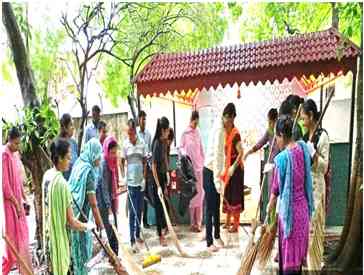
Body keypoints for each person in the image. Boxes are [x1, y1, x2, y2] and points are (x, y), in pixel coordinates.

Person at [266, 116, 314, 275]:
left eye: (276, 137)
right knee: (297, 265)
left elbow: (275, 189)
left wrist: (269, 206)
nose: (276, 141)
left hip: (289, 218)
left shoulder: (282, 159)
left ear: (281, 134)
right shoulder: (302, 149)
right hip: (303, 215)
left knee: (288, 266)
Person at [44, 138, 94, 275]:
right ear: (59, 158)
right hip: (59, 243)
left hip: (49, 241)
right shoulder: (62, 184)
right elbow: (71, 222)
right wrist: (87, 226)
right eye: (67, 157)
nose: (70, 160)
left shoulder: (47, 177)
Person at [68, 138, 105, 275]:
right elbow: (94, 205)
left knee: (78, 253)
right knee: (83, 254)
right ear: (92, 153)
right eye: (98, 155)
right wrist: (101, 227)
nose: (99, 159)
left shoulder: (80, 162)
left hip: (74, 213)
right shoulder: (88, 172)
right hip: (82, 217)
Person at [301, 99, 330, 271]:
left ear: (311, 116)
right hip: (305, 190)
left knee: (315, 233)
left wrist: (314, 154)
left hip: (317, 190)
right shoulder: (305, 138)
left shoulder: (323, 136)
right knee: (305, 232)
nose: (303, 122)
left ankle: (314, 266)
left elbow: (324, 168)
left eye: (304, 118)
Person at [2, 127, 33, 275]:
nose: (18, 146)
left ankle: (25, 271)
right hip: (9, 206)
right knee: (12, 247)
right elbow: (6, 186)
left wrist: (24, 198)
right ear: (9, 140)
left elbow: (18, 179)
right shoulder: (4, 155)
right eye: (16, 143)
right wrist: (16, 203)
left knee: (23, 240)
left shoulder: (14, 154)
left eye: (19, 143)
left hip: (18, 203)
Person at [121, 119, 146, 252]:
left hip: (140, 181)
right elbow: (122, 161)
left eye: (131, 133)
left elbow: (145, 161)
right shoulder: (125, 144)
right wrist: (124, 177)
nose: (129, 136)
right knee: (132, 212)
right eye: (128, 133)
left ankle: (137, 234)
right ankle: (131, 240)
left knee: (140, 209)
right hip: (130, 183)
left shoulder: (142, 143)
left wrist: (144, 179)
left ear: (135, 131)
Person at [203, 115, 226, 252]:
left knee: (216, 205)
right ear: (228, 117)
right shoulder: (219, 131)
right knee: (210, 208)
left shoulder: (221, 127)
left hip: (215, 172)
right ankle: (209, 241)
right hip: (210, 171)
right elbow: (217, 157)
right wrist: (217, 181)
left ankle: (217, 235)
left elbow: (221, 157)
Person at [221, 103, 244, 233]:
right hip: (228, 168)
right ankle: (227, 221)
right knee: (228, 194)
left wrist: (233, 167)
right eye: (224, 118)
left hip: (236, 170)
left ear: (232, 119)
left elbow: (241, 152)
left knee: (235, 196)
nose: (226, 121)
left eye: (228, 118)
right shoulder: (224, 133)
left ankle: (235, 225)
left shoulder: (236, 134)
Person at [180, 111, 205, 232]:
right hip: (189, 171)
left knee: (199, 195)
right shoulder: (185, 133)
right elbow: (180, 148)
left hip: (199, 169)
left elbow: (201, 148)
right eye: (194, 122)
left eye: (197, 123)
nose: (195, 125)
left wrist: (203, 163)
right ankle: (192, 223)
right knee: (191, 195)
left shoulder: (198, 132)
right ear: (191, 120)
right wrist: (185, 155)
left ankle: (198, 223)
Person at [244, 108, 279, 192]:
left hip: (279, 163)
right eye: (268, 121)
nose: (269, 124)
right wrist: (248, 152)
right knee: (271, 188)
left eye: (270, 122)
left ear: (275, 120)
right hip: (271, 164)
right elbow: (260, 143)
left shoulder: (279, 131)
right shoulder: (269, 131)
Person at [96, 136, 120, 254]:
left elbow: (115, 177)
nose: (114, 155)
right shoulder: (104, 163)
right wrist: (109, 208)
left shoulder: (113, 160)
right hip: (104, 202)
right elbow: (104, 187)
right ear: (106, 151)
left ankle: (116, 254)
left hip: (110, 199)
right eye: (112, 153)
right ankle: (111, 255)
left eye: (115, 152)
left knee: (114, 227)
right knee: (110, 229)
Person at [151, 117, 170, 246]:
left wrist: (167, 172)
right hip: (156, 179)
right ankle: (160, 235)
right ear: (162, 130)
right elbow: (153, 166)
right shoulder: (157, 143)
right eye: (167, 130)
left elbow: (164, 159)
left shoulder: (164, 142)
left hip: (163, 176)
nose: (168, 132)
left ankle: (164, 229)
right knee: (159, 207)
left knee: (165, 205)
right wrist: (158, 186)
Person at [137, 110, 152, 228]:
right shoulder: (135, 134)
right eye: (142, 119)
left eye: (145, 119)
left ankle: (145, 220)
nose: (144, 122)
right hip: (137, 168)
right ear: (139, 120)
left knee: (146, 194)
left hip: (147, 167)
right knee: (138, 195)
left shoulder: (148, 134)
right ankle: (138, 220)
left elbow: (150, 150)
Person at [59, 113, 79, 180]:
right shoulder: (59, 145)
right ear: (64, 127)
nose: (73, 127)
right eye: (71, 125)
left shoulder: (74, 143)